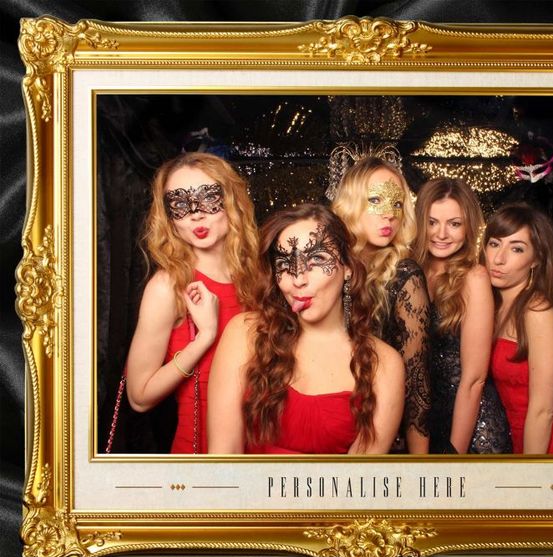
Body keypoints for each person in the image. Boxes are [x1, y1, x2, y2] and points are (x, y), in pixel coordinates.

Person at [207, 204, 404, 455]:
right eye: (285, 264)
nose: (298, 279)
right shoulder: (245, 334)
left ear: (347, 268)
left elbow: (358, 485)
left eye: (316, 259)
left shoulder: (384, 365)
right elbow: (223, 458)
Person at [125, 152, 259, 454]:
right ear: (169, 218)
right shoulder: (168, 287)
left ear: (233, 200)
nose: (196, 214)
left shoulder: (258, 276)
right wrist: (205, 338)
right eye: (181, 205)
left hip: (267, 451)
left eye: (208, 198)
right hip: (202, 457)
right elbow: (139, 396)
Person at [331, 157, 431, 454]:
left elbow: (417, 384)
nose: (389, 214)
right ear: (351, 203)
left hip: (378, 437)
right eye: (375, 200)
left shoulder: (405, 276)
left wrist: (419, 468)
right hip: (325, 423)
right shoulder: (327, 265)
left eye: (397, 203)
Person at [483, 203, 553, 454]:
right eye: (494, 244)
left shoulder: (538, 311)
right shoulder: (493, 306)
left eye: (516, 249)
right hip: (515, 440)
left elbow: (544, 410)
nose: (499, 258)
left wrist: (532, 473)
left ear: (536, 259)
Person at [414, 178, 512, 454]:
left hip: (471, 427)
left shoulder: (474, 277)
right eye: (432, 222)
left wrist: (453, 452)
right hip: (426, 422)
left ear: (469, 226)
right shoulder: (412, 270)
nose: (441, 234)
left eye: (454, 224)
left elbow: (475, 378)